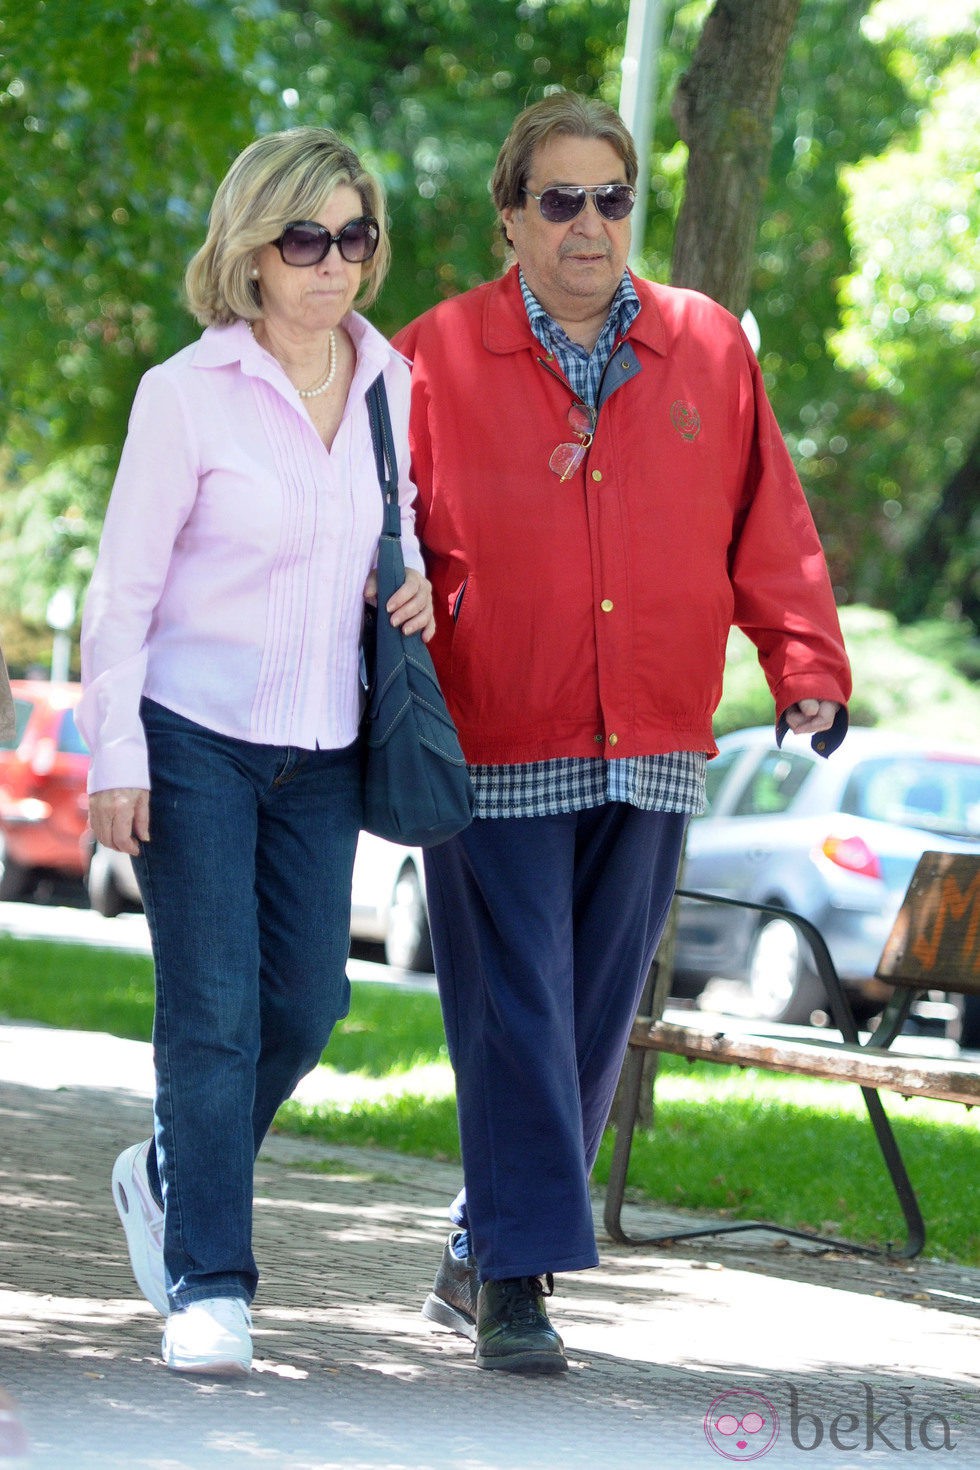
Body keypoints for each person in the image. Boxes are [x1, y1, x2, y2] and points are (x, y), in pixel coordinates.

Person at [392, 92, 851, 1375]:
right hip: (493, 732)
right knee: (516, 1012)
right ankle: (520, 1287)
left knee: (590, 1018)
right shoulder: (430, 354)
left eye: (610, 198)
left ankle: (489, 1238)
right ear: (510, 216)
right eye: (559, 200)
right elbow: (381, 538)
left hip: (649, 734)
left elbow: (770, 524)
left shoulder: (706, 347)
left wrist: (801, 662)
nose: (589, 226)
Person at [78, 127, 434, 1377]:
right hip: (194, 741)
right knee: (214, 1018)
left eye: (354, 236)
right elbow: (121, 594)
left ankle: (170, 1166)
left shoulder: (393, 385)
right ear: (251, 250)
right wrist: (112, 752)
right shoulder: (185, 393)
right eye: (305, 239)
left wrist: (417, 590)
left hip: (324, 746)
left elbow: (393, 544)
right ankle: (210, 1285)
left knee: (312, 1002)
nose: (332, 263)